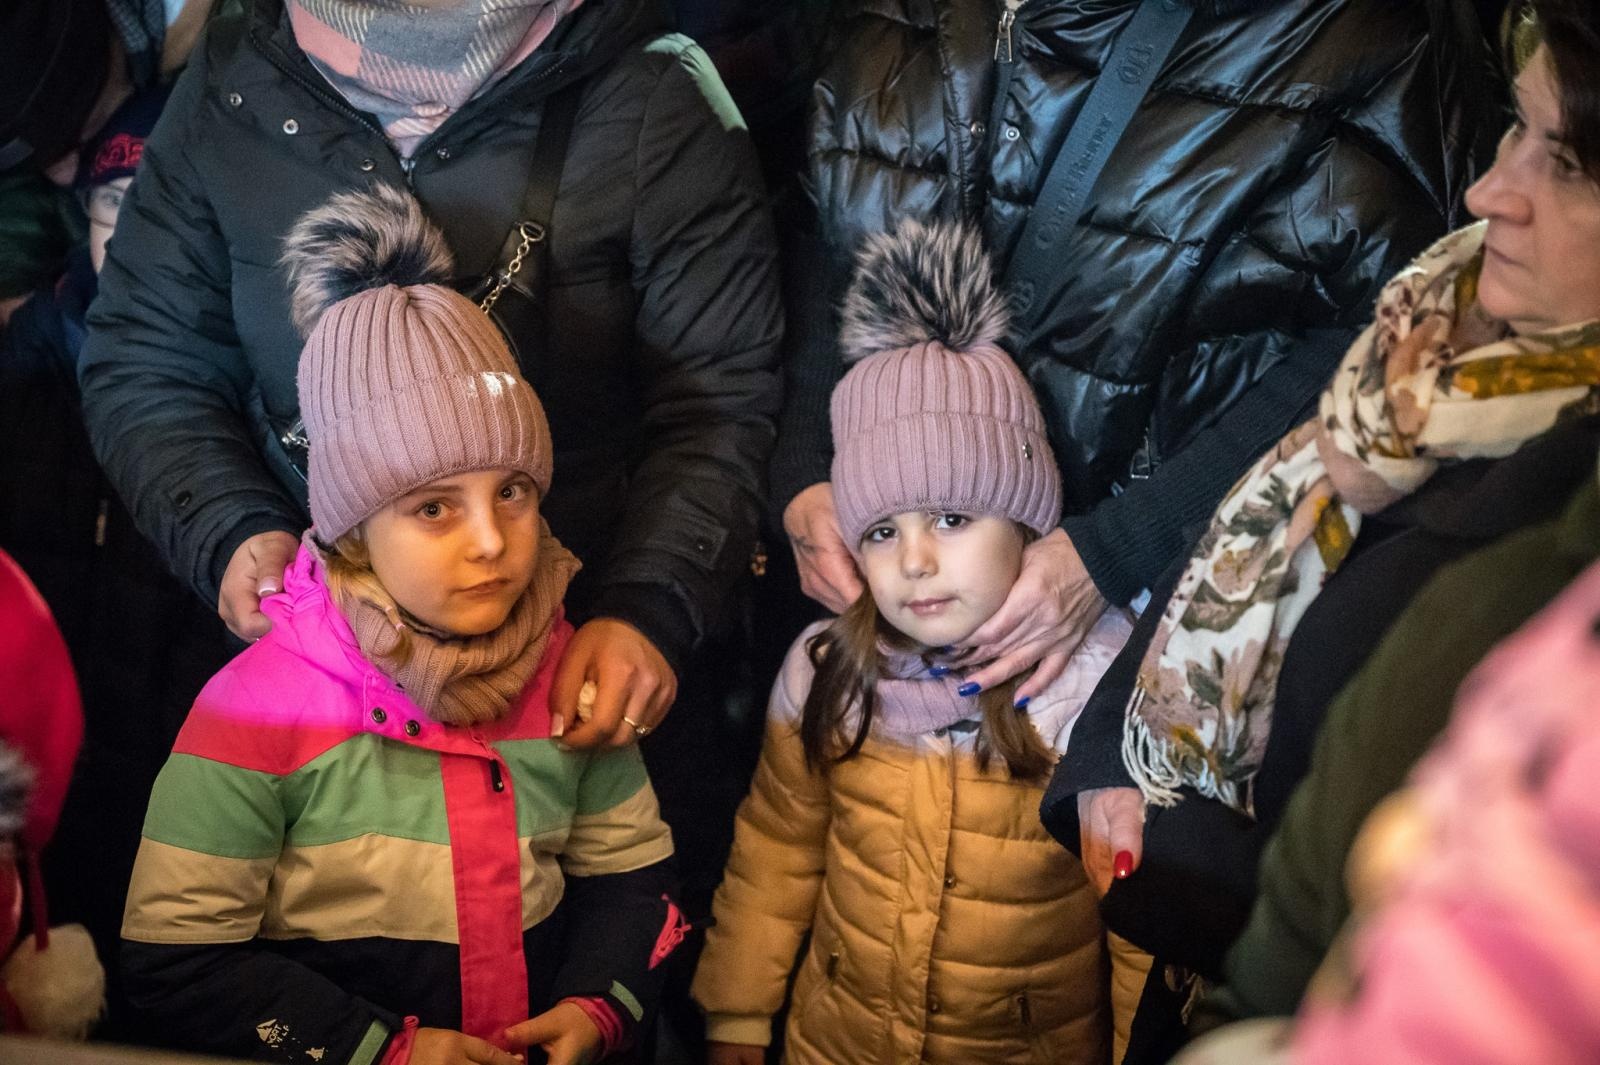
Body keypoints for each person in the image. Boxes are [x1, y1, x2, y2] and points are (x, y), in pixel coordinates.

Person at [1052, 0, 1600, 1049]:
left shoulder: (1558, 514)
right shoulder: (1424, 329)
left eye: (1567, 166)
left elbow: (1408, 880)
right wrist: (1113, 744)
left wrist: (1179, 857)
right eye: (1515, 130)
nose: (1490, 192)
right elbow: (1254, 520)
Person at [773, 0, 1497, 730]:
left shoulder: (1358, 31)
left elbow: (1396, 327)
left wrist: (1122, 548)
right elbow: (828, 216)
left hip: (1164, 630)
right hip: (885, 622)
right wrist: (808, 463)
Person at [120, 188, 686, 1065]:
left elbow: (637, 885)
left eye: (512, 490)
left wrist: (599, 1006)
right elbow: (176, 962)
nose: (491, 539)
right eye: (432, 507)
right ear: (353, 528)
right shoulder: (254, 711)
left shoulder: (564, 673)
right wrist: (376, 1050)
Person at [691, 222, 1134, 1065]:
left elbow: (1138, 927)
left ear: (1029, 522)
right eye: (883, 529)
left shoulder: (1094, 686)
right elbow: (778, 847)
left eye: (953, 517)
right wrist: (737, 1013)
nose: (916, 560)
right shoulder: (827, 671)